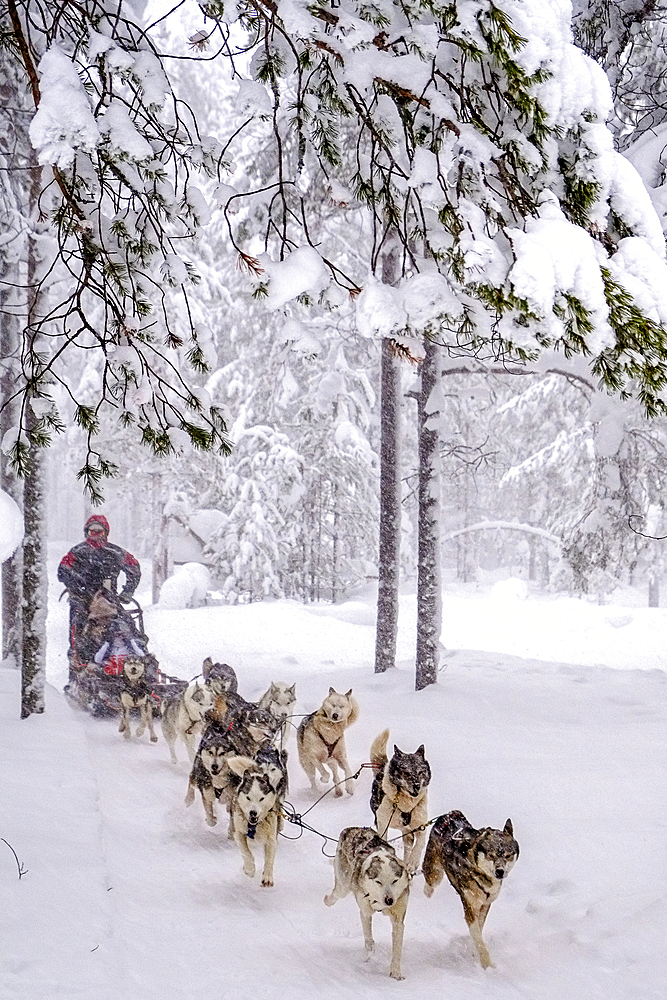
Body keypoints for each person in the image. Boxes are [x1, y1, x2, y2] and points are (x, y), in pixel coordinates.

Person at [58, 515, 141, 668]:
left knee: (126, 624)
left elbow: (134, 568)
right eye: (92, 532)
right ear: (86, 532)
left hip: (109, 599)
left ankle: (137, 660)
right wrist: (78, 587)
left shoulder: (115, 552)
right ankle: (79, 666)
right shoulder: (77, 552)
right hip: (82, 600)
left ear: (106, 533)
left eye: (99, 532)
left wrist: (127, 592)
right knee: (79, 630)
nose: (96, 536)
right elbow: (62, 571)